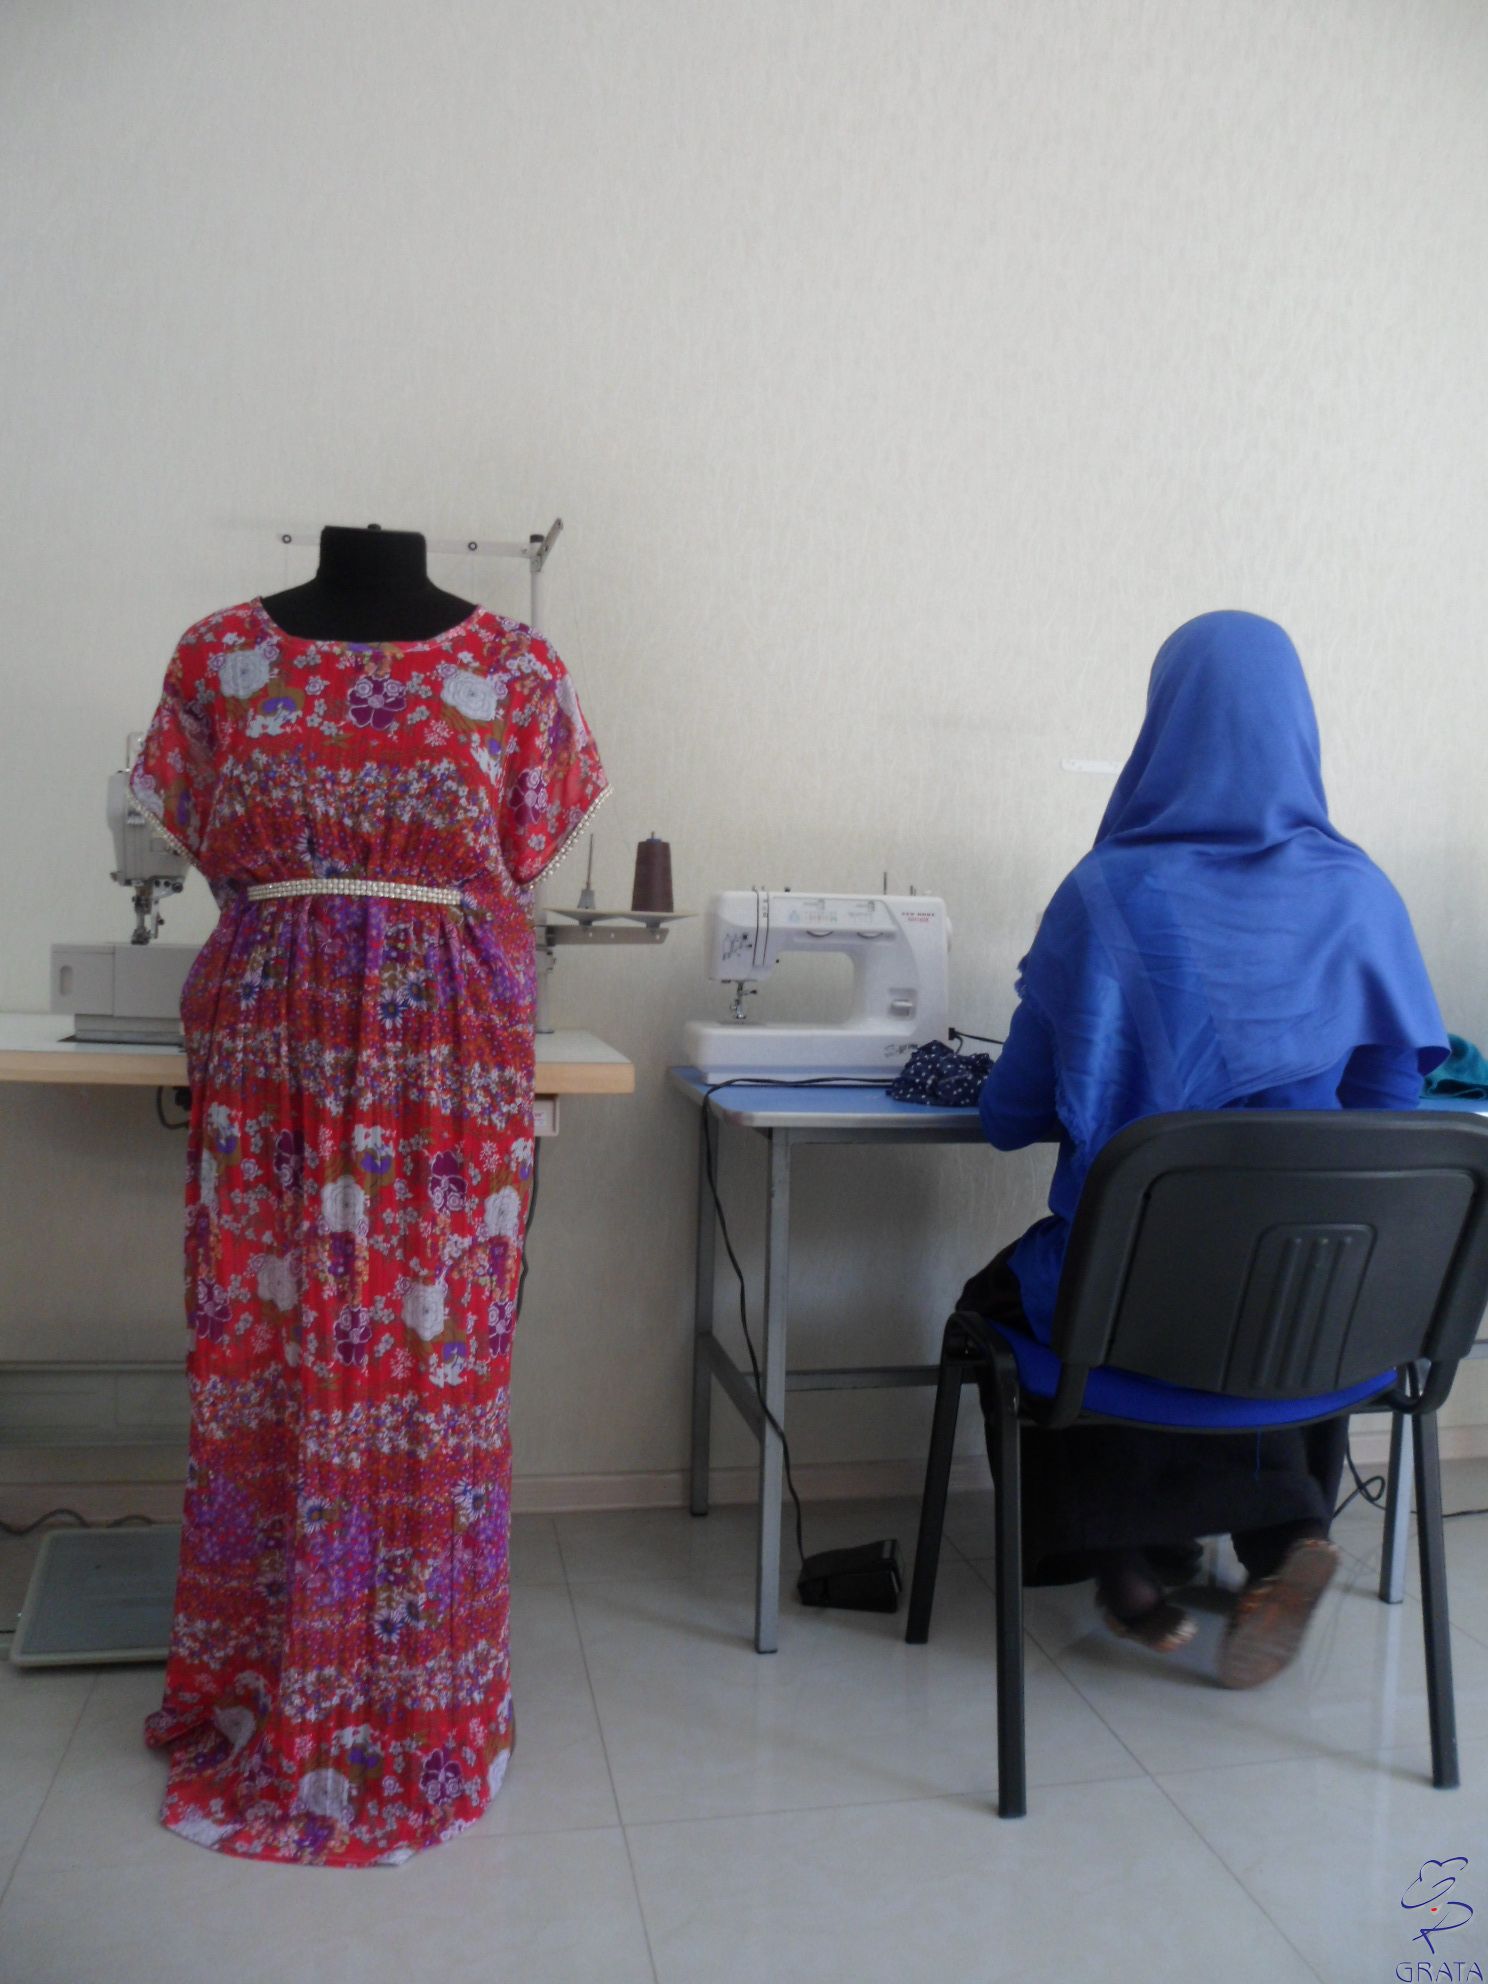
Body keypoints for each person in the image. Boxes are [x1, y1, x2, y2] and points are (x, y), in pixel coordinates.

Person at [967, 610, 1446, 1687]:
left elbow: (1007, 1117)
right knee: (1281, 1263)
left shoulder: (1105, 894)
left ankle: (1124, 1568)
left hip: (1132, 1308)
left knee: (1022, 1296)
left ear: (1162, 728)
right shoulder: (1364, 897)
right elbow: (1387, 1116)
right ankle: (1283, 1536)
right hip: (1316, 1316)